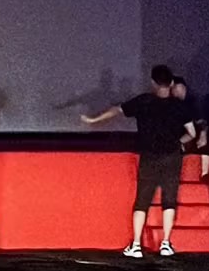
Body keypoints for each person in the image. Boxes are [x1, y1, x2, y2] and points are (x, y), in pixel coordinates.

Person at [81, 64, 195, 258]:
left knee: (142, 200)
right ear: (171, 83)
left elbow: (117, 110)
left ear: (153, 82)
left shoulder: (144, 101)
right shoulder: (179, 106)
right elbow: (191, 133)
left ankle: (136, 245)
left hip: (149, 156)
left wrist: (94, 120)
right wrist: (179, 143)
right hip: (172, 157)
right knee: (169, 200)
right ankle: (166, 244)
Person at [172, 77, 209, 178]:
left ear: (184, 87)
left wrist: (203, 134)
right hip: (178, 137)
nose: (176, 91)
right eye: (174, 89)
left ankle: (205, 173)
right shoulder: (172, 104)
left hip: (193, 136)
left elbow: (201, 121)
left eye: (177, 88)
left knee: (207, 139)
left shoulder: (194, 103)